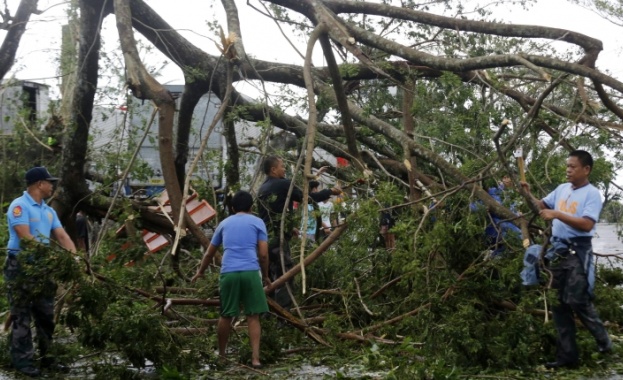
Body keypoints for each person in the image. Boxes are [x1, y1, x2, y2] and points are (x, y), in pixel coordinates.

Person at [521, 150, 612, 369]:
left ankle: (604, 341)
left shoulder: (592, 194)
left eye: (572, 166)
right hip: (558, 250)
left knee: (577, 299)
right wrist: (528, 194)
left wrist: (558, 214)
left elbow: (587, 224)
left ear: (586, 169)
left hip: (577, 251)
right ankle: (567, 357)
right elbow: (542, 207)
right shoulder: (562, 189)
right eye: (567, 166)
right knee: (558, 304)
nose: (568, 170)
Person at [5, 167, 77, 377]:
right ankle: (23, 362)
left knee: (46, 314)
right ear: (39, 184)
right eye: (49, 182)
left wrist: (75, 258)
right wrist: (49, 256)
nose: (52, 186)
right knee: (21, 316)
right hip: (20, 266)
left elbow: (62, 236)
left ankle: (48, 358)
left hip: (42, 268)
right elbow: (25, 236)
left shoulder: (48, 210)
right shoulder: (19, 206)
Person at [191, 191, 270, 369]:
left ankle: (222, 356)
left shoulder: (224, 224)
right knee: (253, 316)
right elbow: (263, 255)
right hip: (250, 271)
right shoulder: (258, 222)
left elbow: (210, 252)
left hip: (229, 273)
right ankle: (255, 359)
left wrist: (200, 271)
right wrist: (265, 276)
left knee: (226, 315)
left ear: (233, 208)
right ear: (251, 207)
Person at [257, 156, 341, 309]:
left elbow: (272, 213)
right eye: (282, 166)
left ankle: (266, 312)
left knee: (268, 277)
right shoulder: (283, 184)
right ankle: (284, 316)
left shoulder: (262, 188)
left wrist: (290, 228)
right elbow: (309, 198)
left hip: (264, 239)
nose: (284, 169)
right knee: (285, 276)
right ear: (273, 170)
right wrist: (330, 191)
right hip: (279, 239)